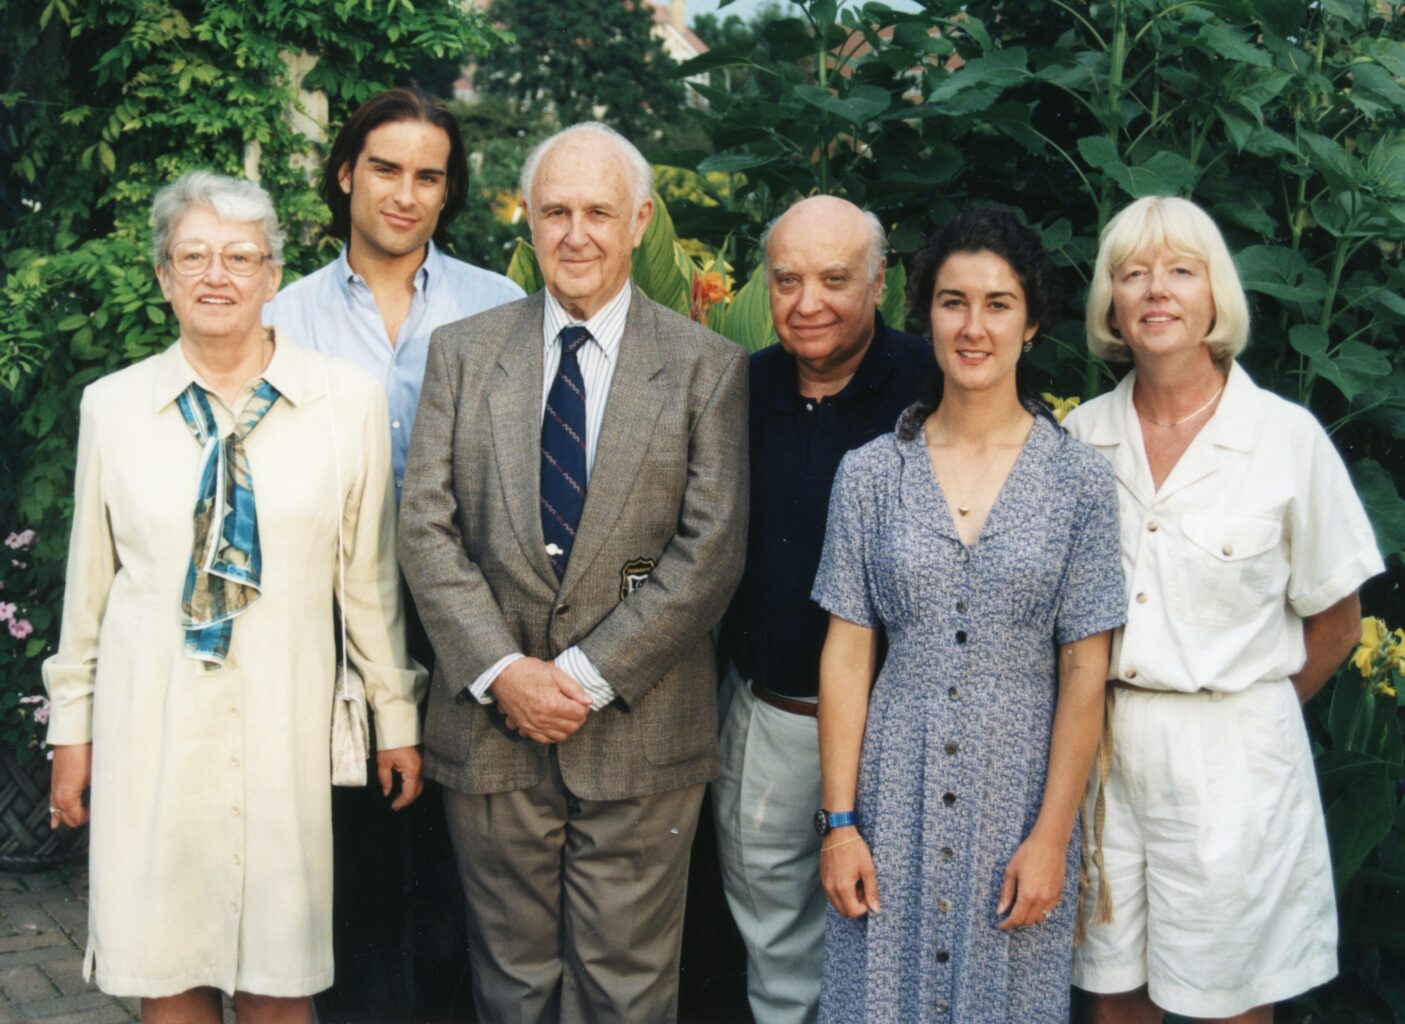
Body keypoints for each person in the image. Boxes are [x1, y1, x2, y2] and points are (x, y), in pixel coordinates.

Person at [43, 170, 425, 1024]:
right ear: (164, 277)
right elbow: (89, 590)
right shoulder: (112, 409)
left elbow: (367, 583)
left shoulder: (344, 402)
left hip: (282, 725)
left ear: (273, 274)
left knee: (278, 972)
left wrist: (395, 718)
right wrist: (72, 731)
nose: (217, 275)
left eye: (240, 257)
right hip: (153, 725)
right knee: (168, 963)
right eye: (194, 256)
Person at [397, 121, 748, 1024]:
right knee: (511, 987)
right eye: (556, 211)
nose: (576, 234)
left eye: (599, 212)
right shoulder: (464, 354)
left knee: (626, 992)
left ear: (639, 222)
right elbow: (426, 530)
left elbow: (708, 551)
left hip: (639, 732)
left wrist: (582, 680)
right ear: (529, 221)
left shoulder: (706, 367)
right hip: (490, 727)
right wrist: (504, 673)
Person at [1065, 196, 1382, 1023]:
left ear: (1215, 297)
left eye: (1179, 270)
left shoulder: (1286, 438)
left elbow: (1337, 622)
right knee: (1111, 993)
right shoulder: (1078, 441)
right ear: (1110, 303)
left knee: (1228, 1003)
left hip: (1234, 760)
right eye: (1131, 274)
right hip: (1102, 754)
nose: (1155, 291)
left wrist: (1249, 713)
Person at [811, 202, 1126, 1023]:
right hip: (892, 791)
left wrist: (1052, 835)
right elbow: (847, 653)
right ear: (926, 316)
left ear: (1030, 324)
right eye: (953, 302)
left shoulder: (1079, 484)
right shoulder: (871, 475)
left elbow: (1084, 667)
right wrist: (839, 822)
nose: (972, 325)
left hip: (1016, 793)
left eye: (997, 303)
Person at [264, 86, 522, 1024]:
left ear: (448, 193)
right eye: (385, 168)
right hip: (331, 617)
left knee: (460, 862)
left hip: (466, 613)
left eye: (429, 176)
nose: (406, 193)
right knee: (351, 855)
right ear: (345, 175)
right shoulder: (283, 319)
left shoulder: (499, 306)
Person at [714, 194, 930, 1024]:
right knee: (778, 960)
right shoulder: (734, 388)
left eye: (834, 279)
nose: (807, 303)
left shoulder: (933, 386)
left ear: (879, 283)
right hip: (772, 719)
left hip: (899, 732)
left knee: (897, 957)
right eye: (787, 280)